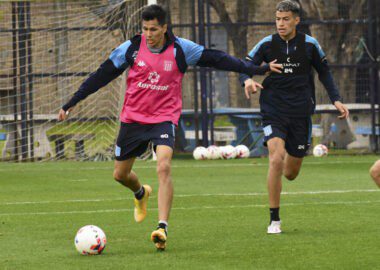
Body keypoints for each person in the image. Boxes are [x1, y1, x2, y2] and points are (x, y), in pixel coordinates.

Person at [58, 4, 282, 250]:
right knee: (120, 175)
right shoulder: (131, 48)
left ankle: (162, 227)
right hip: (133, 119)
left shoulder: (181, 50)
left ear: (164, 27)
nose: (149, 34)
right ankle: (141, 193)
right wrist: (72, 103)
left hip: (164, 118)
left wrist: (256, 69)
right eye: (145, 29)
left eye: (154, 29)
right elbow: (101, 76)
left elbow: (218, 59)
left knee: (163, 165)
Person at [239, 0, 349, 234]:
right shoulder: (267, 44)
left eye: (286, 19)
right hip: (273, 110)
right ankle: (274, 220)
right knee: (275, 159)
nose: (281, 23)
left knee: (290, 173)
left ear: (296, 20)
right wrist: (247, 79)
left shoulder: (310, 45)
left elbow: (325, 73)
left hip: (300, 112)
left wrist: (336, 99)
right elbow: (245, 65)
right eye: (278, 19)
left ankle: (294, 153)